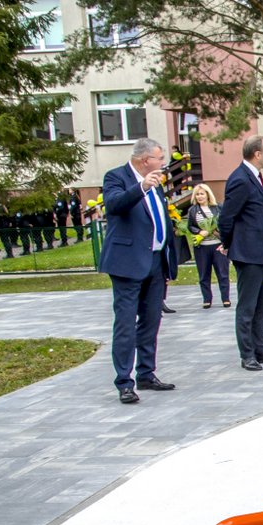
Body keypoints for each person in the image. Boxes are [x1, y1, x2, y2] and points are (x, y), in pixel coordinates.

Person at [98, 138, 179, 404]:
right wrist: (141, 187)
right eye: (159, 158)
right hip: (127, 263)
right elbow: (114, 205)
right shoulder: (117, 177)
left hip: (155, 262)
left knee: (151, 320)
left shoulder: (155, 183)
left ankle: (146, 373)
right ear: (145, 160)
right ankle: (124, 381)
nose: (163, 163)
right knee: (125, 324)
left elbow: (160, 218)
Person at [218, 134, 263, 372]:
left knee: (262, 304)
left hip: (260, 252)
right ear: (257, 154)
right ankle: (247, 354)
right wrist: (228, 243)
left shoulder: (254, 176)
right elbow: (227, 216)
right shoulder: (240, 179)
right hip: (247, 252)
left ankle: (261, 348)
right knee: (247, 306)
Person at [186, 183, 231, 309]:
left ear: (207, 194)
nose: (200, 197)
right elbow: (190, 226)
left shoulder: (217, 208)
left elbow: (224, 223)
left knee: (222, 273)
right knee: (204, 274)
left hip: (217, 245)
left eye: (202, 194)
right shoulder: (193, 210)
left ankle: (225, 298)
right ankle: (207, 299)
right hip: (202, 247)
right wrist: (200, 232)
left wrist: (216, 232)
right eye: (197, 194)